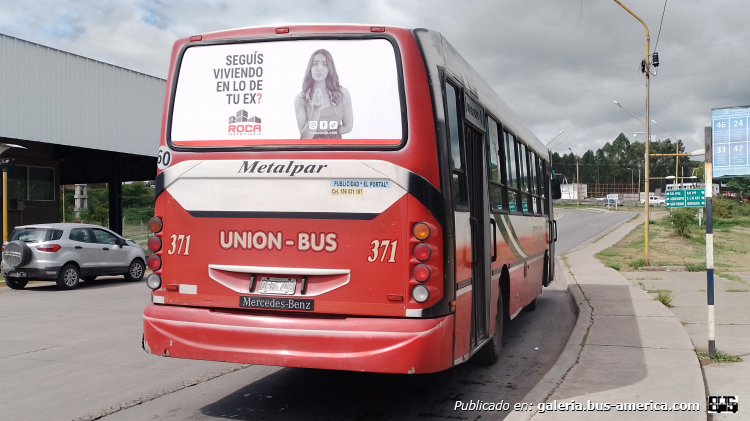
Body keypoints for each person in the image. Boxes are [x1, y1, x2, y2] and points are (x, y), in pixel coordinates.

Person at [294, 49, 353, 139]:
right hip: (311, 151)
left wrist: (327, 134)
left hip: (335, 150)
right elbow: (304, 137)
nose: (319, 68)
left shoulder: (343, 93)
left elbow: (348, 127)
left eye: (325, 64)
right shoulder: (300, 98)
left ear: (329, 69)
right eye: (315, 64)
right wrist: (316, 109)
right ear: (310, 69)